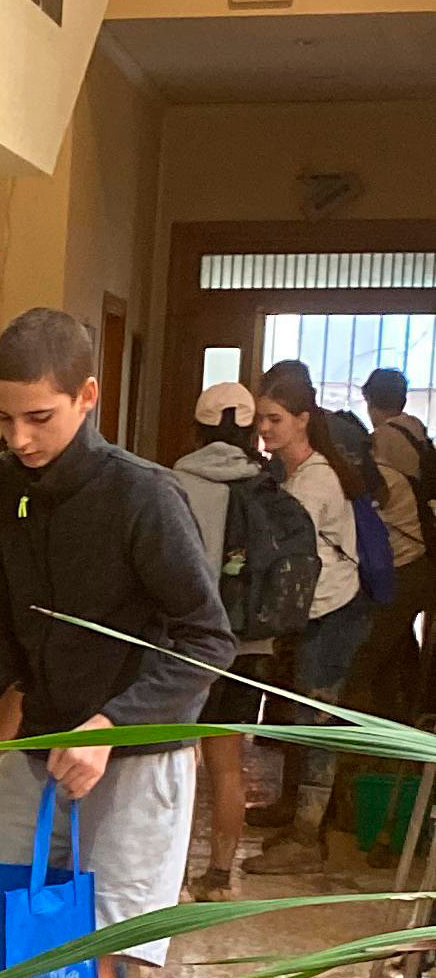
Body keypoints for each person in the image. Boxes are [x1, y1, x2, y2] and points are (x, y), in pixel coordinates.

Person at [0, 307, 234, 975]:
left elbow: (207, 639)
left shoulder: (144, 496)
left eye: (39, 418)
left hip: (138, 759)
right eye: (4, 418)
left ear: (87, 397)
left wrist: (113, 725)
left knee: (116, 958)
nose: (19, 438)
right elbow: (0, 633)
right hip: (40, 752)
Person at [244, 360, 370, 875]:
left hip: (334, 612)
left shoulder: (311, 482)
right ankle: (295, 819)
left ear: (302, 419)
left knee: (318, 724)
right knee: (300, 717)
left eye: (274, 419)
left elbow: (282, 553)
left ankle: (306, 837)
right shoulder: (296, 471)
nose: (264, 429)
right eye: (259, 419)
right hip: (316, 612)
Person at [172, 383, 276, 902]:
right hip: (248, 645)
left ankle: (169, 877)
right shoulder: (266, 486)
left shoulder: (173, 482)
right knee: (227, 763)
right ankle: (217, 878)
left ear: (198, 426)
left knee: (177, 760)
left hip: (187, 643)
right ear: (251, 427)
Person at [356, 367, 434, 723]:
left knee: (375, 650)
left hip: (405, 555)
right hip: (426, 551)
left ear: (370, 401)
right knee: (402, 643)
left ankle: (391, 720)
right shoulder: (416, 431)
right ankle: (409, 712)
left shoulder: (384, 441)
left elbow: (380, 501)